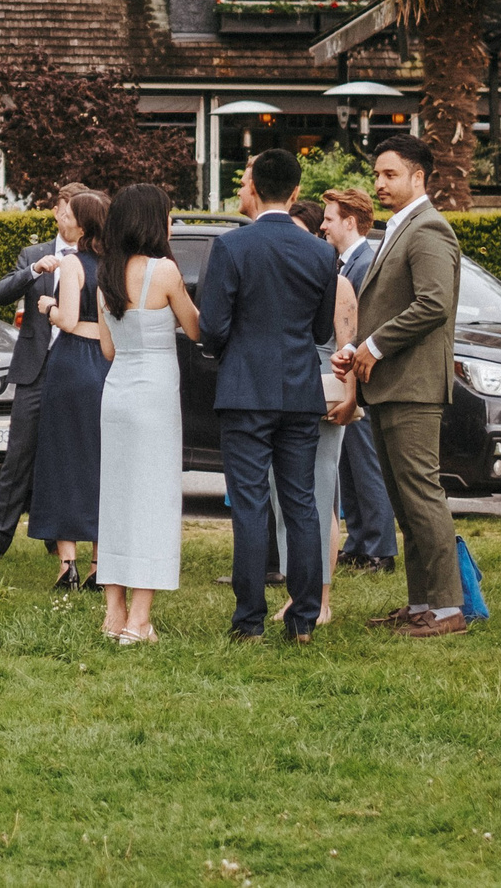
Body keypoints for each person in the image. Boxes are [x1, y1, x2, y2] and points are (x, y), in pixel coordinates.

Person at [198, 148, 336, 643]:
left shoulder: (232, 247)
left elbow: (212, 327)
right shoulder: (322, 252)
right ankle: (303, 619)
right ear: (296, 192)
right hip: (300, 387)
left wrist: (224, 346)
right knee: (301, 502)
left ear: (254, 186)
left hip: (244, 389)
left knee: (252, 504)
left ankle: (249, 620)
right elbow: (322, 329)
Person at [335, 137, 467, 640]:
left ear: (419, 177)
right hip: (391, 385)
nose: (379, 184)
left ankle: (449, 609)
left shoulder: (429, 227)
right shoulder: (401, 227)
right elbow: (394, 303)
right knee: (405, 501)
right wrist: (358, 348)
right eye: (377, 175)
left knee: (421, 496)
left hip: (413, 387)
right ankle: (421, 605)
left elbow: (434, 304)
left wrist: (375, 346)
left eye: (389, 175)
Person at [93, 183, 200, 643]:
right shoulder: (165, 272)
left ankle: (113, 614)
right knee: (153, 501)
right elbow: (197, 330)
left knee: (116, 500)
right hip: (155, 396)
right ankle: (139, 621)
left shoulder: (106, 274)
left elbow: (107, 348)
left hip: (116, 395)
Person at [0, 182, 92, 561]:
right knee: (18, 456)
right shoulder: (34, 253)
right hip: (35, 368)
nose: (68, 217)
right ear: (57, 212)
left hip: (77, 367)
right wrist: (32, 270)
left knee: (68, 455)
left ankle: (59, 538)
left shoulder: (96, 257)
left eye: (75, 210)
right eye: (64, 209)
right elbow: (0, 294)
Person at [281, 197, 359, 627]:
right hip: (286, 393)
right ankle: (299, 594)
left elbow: (347, 344)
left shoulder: (338, 283)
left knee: (318, 494)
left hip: (325, 394)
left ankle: (322, 599)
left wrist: (350, 399)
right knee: (286, 497)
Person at [32, 190, 111, 590]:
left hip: (72, 360)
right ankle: (100, 564)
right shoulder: (116, 263)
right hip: (106, 360)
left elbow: (65, 318)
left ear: (81, 224)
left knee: (63, 458)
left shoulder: (72, 262)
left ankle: (68, 563)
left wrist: (47, 306)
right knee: (100, 459)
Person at [320, 187, 397, 574]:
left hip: (364, 377)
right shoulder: (345, 263)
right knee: (349, 464)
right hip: (349, 375)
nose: (323, 226)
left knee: (366, 464)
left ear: (350, 222)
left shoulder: (364, 263)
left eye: (329, 219)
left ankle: (381, 549)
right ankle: (359, 540)